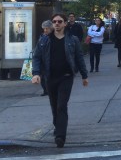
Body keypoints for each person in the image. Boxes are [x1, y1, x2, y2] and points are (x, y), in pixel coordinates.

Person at [31, 13, 89, 148]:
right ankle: (57, 125)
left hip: (66, 77)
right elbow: (37, 57)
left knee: (61, 105)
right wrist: (36, 73)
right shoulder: (44, 40)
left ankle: (60, 136)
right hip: (50, 77)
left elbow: (79, 58)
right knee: (54, 105)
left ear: (65, 24)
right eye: (54, 21)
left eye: (59, 21)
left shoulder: (72, 40)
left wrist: (84, 75)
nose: (56, 23)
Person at [39, 20, 53, 96]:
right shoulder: (42, 37)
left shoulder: (53, 37)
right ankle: (45, 90)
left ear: (51, 28)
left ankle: (49, 90)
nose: (45, 30)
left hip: (50, 60)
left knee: (48, 77)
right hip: (43, 60)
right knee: (43, 77)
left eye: (47, 28)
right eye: (44, 28)